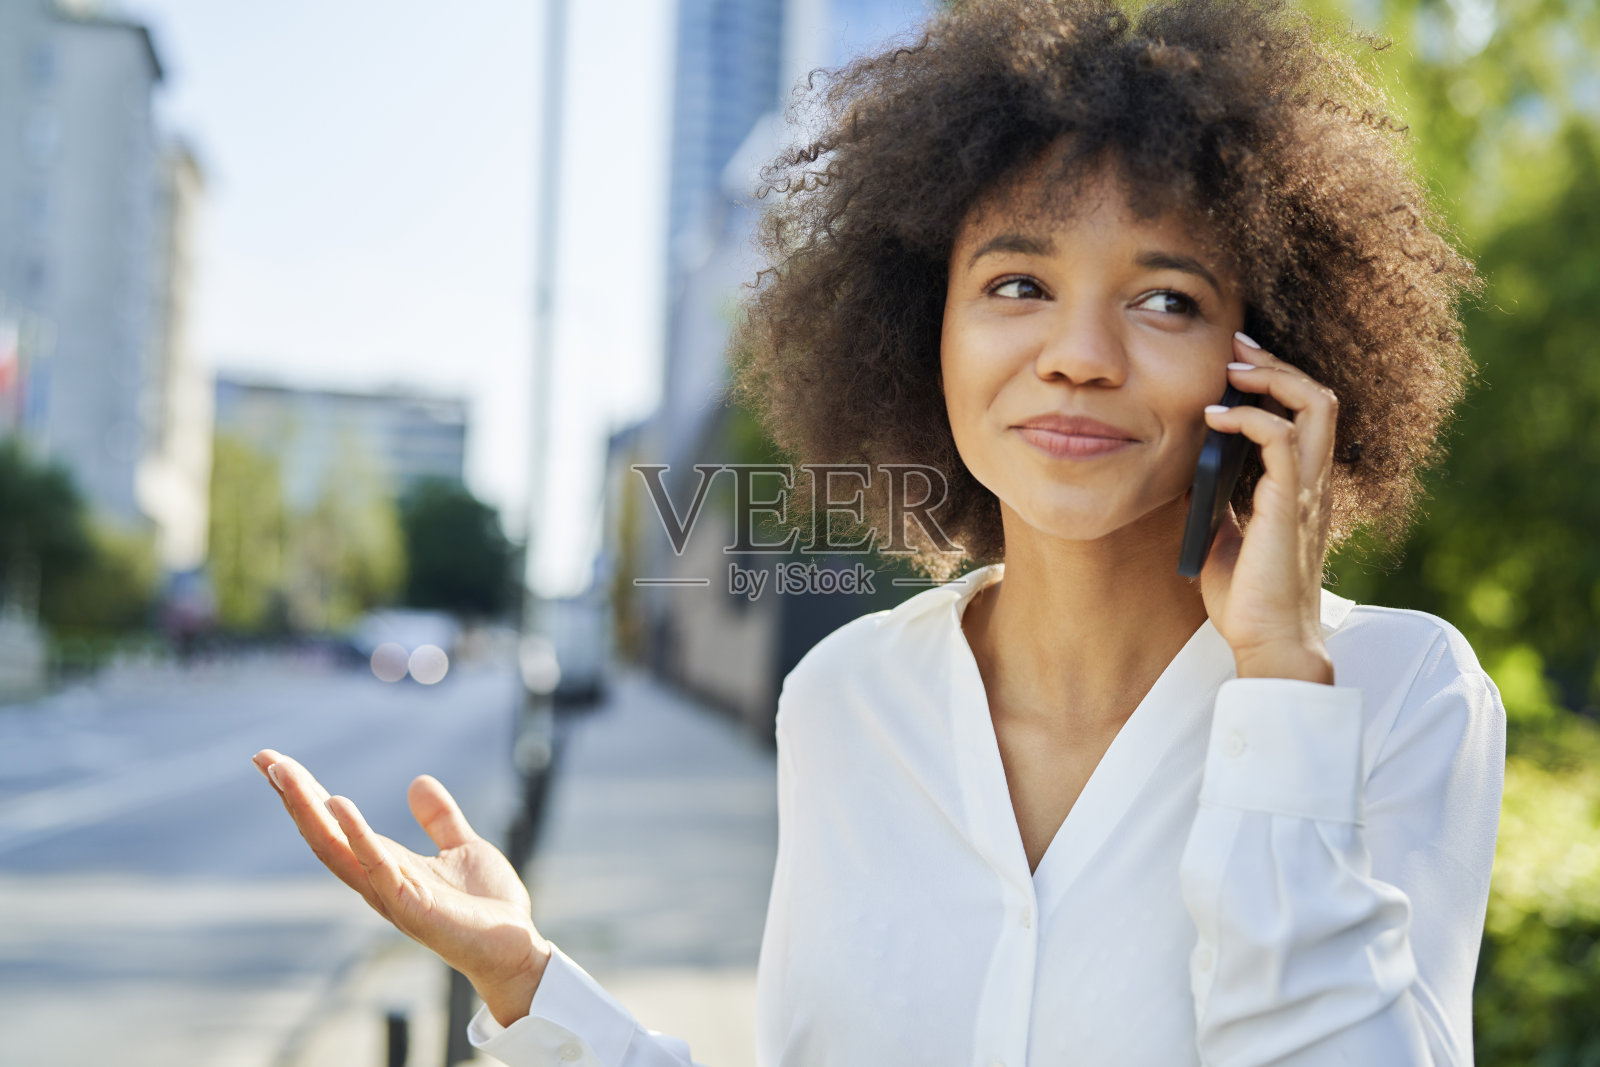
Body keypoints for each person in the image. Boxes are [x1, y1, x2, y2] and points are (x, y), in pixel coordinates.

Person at [253, 0, 1507, 1062]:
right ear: (924, 331)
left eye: (1165, 298)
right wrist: (527, 983)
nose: (1077, 354)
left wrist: (1279, 686)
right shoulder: (844, 698)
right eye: (1017, 284)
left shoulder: (1397, 694)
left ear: (1267, 354)